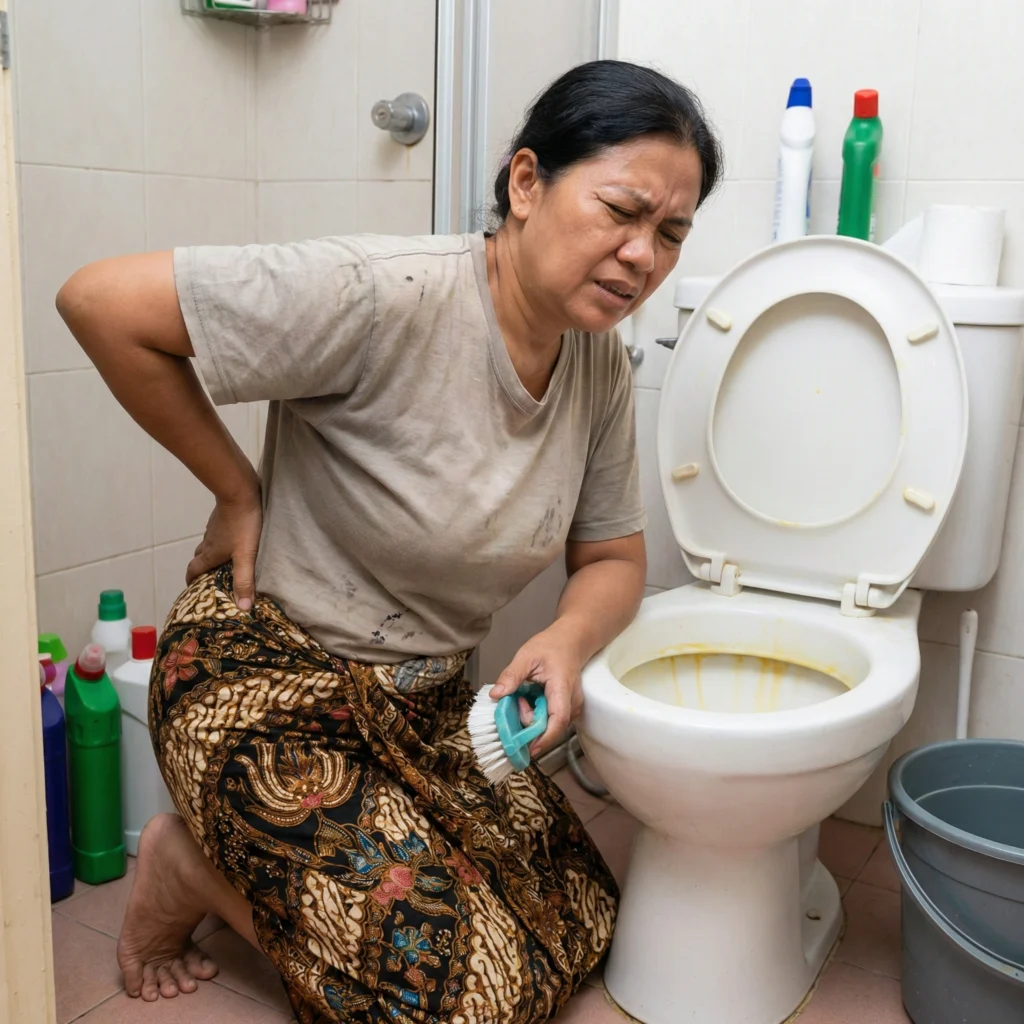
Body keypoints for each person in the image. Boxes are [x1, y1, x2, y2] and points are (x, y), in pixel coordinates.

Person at [57, 59, 721, 1024]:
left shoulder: (598, 364)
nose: (641, 256)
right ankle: (188, 870)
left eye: (670, 234)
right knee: (461, 1004)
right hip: (266, 679)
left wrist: (567, 640)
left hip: (429, 703)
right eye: (621, 211)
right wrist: (236, 488)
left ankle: (263, 871)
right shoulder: (384, 293)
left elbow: (614, 559)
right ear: (526, 183)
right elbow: (100, 303)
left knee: (583, 922)